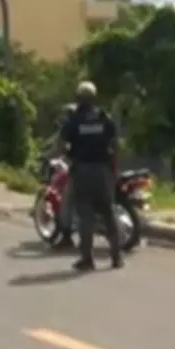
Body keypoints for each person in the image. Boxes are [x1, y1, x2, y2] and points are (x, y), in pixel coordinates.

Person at [58, 81, 123, 271]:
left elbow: (61, 146)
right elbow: (116, 144)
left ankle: (88, 259)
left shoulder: (74, 121)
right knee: (108, 213)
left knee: (85, 215)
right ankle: (116, 257)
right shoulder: (104, 118)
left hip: (82, 171)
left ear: (78, 99)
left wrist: (68, 157)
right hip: (103, 171)